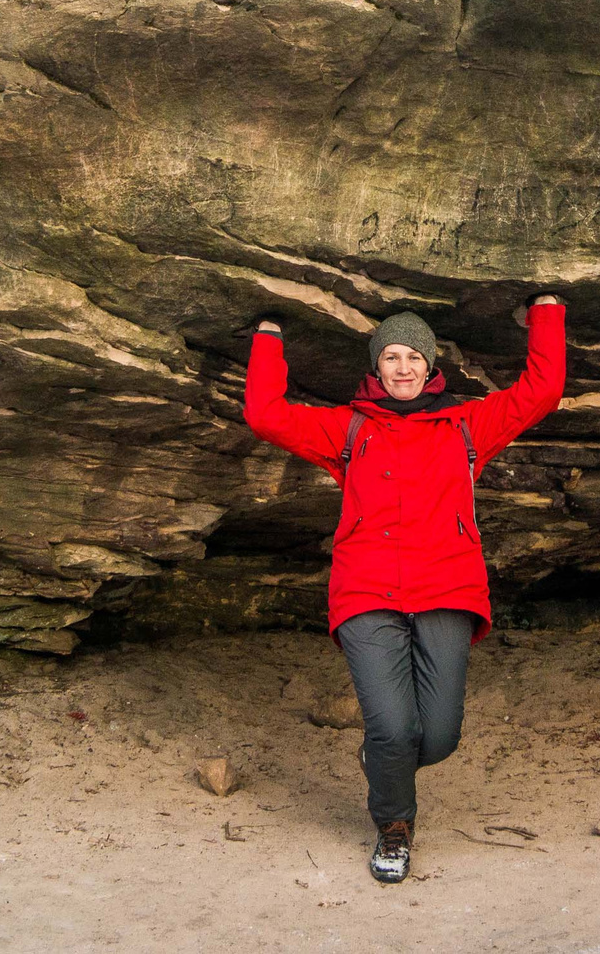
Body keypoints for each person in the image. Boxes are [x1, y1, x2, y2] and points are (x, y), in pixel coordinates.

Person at [242, 295, 567, 884]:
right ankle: (394, 827)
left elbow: (541, 391)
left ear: (430, 364)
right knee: (394, 728)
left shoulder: (466, 424)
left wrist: (545, 312)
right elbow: (266, 414)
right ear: (376, 365)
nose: (402, 367)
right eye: (390, 356)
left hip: (447, 587)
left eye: (413, 356)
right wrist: (268, 334)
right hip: (366, 592)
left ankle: (382, 762)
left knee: (437, 737)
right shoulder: (349, 427)